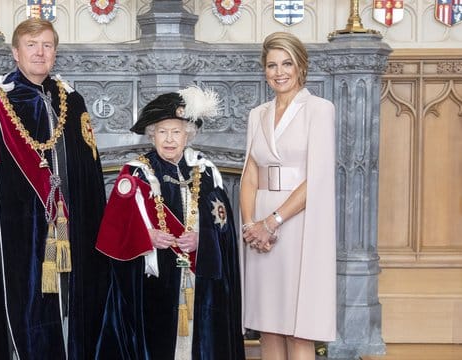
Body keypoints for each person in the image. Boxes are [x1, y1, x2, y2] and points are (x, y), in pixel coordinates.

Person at [0, 18, 109, 360]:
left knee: (68, 304)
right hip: (16, 231)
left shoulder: (73, 102)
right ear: (16, 52)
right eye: (31, 45)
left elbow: (89, 172)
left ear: (55, 53)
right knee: (23, 307)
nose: (40, 52)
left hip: (67, 227)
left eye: (47, 45)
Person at [95, 87, 245, 360]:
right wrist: (146, 236)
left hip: (199, 280)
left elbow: (224, 226)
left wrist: (203, 239)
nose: (169, 139)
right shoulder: (136, 173)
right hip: (151, 282)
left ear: (188, 134)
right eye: (162, 131)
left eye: (176, 131)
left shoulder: (206, 170)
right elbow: (112, 232)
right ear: (152, 134)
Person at [239, 31, 336, 360]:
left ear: (301, 67)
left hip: (298, 222)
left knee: (298, 328)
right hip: (260, 226)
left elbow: (318, 178)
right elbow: (250, 174)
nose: (279, 72)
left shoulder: (319, 110)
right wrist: (251, 225)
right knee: (268, 326)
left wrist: (272, 221)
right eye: (271, 65)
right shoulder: (258, 114)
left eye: (286, 63)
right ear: (264, 70)